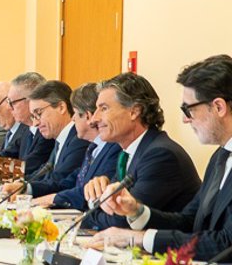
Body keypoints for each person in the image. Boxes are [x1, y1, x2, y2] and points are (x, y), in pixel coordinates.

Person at [90, 56, 232, 258]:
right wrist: (136, 211)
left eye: (188, 109)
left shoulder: (162, 153)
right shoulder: (220, 156)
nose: (184, 119)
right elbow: (189, 222)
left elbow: (226, 242)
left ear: (218, 107)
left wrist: (139, 238)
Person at [82, 72, 201, 230]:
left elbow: (122, 221)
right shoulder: (127, 153)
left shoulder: (161, 155)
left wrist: (93, 205)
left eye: (104, 108)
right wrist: (96, 198)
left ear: (134, 111)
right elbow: (105, 210)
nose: (94, 119)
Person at [37, 82, 120, 210]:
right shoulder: (93, 148)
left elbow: (91, 193)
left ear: (87, 116)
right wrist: (29, 190)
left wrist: (51, 199)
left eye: (75, 113)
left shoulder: (114, 148)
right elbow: (69, 182)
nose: (73, 118)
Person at [5, 80, 89, 198]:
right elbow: (44, 174)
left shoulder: (79, 139)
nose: (35, 123)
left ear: (61, 107)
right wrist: (20, 185)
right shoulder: (58, 139)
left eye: (39, 113)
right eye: (33, 116)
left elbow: (59, 179)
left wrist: (24, 186)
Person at [0, 71, 55, 175]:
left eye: (12, 103)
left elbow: (28, 166)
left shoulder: (47, 131)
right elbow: (5, 155)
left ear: (31, 101)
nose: (9, 108)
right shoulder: (26, 129)